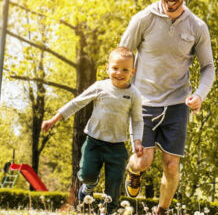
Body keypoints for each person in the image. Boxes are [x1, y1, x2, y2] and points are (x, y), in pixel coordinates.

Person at [120, 0, 215, 214]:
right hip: (143, 102)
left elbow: (208, 67)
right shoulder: (143, 19)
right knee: (144, 160)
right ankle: (133, 170)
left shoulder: (197, 26)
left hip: (176, 105)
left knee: (171, 166)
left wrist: (200, 95)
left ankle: (161, 211)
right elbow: (123, 55)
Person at [41, 47, 144, 212]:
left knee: (114, 188)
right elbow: (77, 102)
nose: (119, 73)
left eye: (125, 69)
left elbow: (137, 120)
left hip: (117, 147)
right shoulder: (100, 86)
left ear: (133, 71)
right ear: (107, 68)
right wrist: (54, 118)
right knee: (87, 175)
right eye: (115, 68)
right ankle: (89, 187)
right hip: (94, 142)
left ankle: (109, 211)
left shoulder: (134, 94)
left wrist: (137, 143)